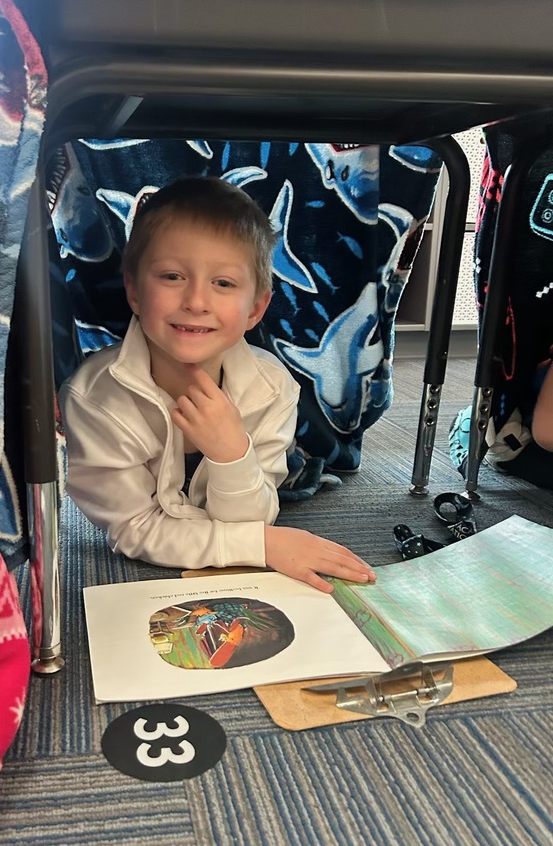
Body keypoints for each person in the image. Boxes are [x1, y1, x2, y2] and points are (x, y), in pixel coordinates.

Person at [59, 176, 375, 593]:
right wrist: (262, 546)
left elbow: (251, 517)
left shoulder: (274, 388)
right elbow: (133, 529)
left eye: (223, 283)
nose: (196, 301)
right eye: (172, 276)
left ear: (255, 309)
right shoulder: (93, 399)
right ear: (134, 291)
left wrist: (231, 453)